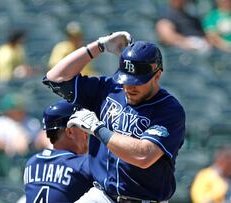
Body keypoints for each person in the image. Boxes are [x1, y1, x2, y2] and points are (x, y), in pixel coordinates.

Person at [43, 31, 185, 202]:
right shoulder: (108, 89)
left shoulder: (168, 109)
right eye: (125, 80)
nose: (129, 87)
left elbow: (144, 155)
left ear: (157, 76)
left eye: (137, 82)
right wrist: (99, 46)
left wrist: (98, 129)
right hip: (102, 195)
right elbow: (55, 78)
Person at [24, 100, 93, 202]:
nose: (87, 133)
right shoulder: (81, 165)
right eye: (83, 127)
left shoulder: (31, 163)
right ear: (70, 132)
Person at [0, 93, 52, 157]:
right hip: (9, 156)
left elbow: (38, 139)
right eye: (15, 110)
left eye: (20, 110)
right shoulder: (0, 123)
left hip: (31, 151)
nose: (18, 112)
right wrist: (6, 146)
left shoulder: (31, 121)